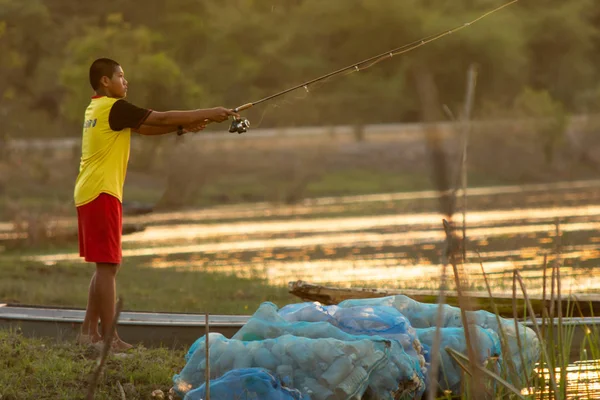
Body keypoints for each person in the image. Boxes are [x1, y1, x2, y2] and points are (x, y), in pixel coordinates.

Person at [75, 58, 239, 351]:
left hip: (93, 190)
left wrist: (183, 127)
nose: (126, 82)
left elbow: (148, 127)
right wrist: (210, 113)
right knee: (108, 265)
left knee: (104, 265)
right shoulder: (114, 107)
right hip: (101, 192)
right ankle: (109, 338)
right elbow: (159, 118)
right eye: (121, 76)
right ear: (105, 81)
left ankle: (89, 334)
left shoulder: (96, 108)